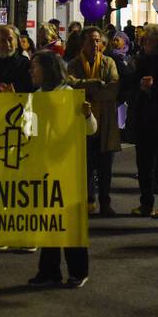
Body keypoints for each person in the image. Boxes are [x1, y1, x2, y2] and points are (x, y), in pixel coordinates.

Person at [29, 50, 97, 288]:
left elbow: (91, 129)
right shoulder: (37, 95)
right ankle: (49, 270)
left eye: (35, 67)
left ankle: (78, 270)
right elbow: (29, 130)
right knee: (48, 220)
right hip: (44, 166)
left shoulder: (68, 95)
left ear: (47, 69)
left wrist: (87, 115)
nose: (32, 72)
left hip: (67, 168)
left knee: (70, 221)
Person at [123, 23, 158, 219]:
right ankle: (146, 202)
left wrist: (153, 89)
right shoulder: (141, 61)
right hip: (143, 119)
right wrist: (140, 87)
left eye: (146, 39)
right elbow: (130, 86)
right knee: (144, 164)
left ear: (155, 41)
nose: (142, 42)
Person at [68, 27, 122, 217]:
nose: (95, 44)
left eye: (98, 41)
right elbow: (72, 86)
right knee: (85, 165)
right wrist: (94, 84)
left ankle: (105, 202)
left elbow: (113, 88)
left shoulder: (109, 62)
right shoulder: (74, 64)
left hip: (105, 122)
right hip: (83, 121)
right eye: (91, 41)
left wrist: (88, 89)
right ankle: (88, 200)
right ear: (83, 43)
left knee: (106, 166)